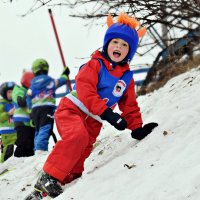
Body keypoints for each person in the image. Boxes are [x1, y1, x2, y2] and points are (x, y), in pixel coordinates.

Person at [25, 13, 158, 199]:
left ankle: (59, 186)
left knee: (80, 156)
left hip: (94, 121)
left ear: (130, 51)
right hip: (73, 109)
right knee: (76, 136)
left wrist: (136, 128)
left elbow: (129, 104)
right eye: (115, 42)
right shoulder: (95, 64)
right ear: (107, 43)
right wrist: (108, 114)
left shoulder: (126, 77)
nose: (119, 46)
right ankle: (48, 177)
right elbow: (86, 91)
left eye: (125, 44)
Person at [26, 58, 70, 155]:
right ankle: (41, 150)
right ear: (46, 69)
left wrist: (30, 111)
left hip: (35, 110)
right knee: (45, 128)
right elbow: (62, 80)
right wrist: (65, 73)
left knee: (38, 129)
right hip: (47, 108)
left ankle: (37, 149)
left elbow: (28, 97)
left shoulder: (32, 86)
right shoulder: (50, 81)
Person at [12, 71, 35, 157]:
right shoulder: (18, 89)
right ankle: (16, 163)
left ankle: (27, 166)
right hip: (22, 122)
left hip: (30, 123)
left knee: (30, 146)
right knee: (23, 143)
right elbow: (21, 101)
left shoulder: (30, 91)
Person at [0, 82, 17, 162]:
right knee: (8, 150)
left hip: (17, 131)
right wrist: (8, 113)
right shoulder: (1, 103)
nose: (11, 94)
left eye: (13, 92)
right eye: (9, 92)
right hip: (6, 132)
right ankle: (2, 167)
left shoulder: (15, 103)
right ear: (4, 93)